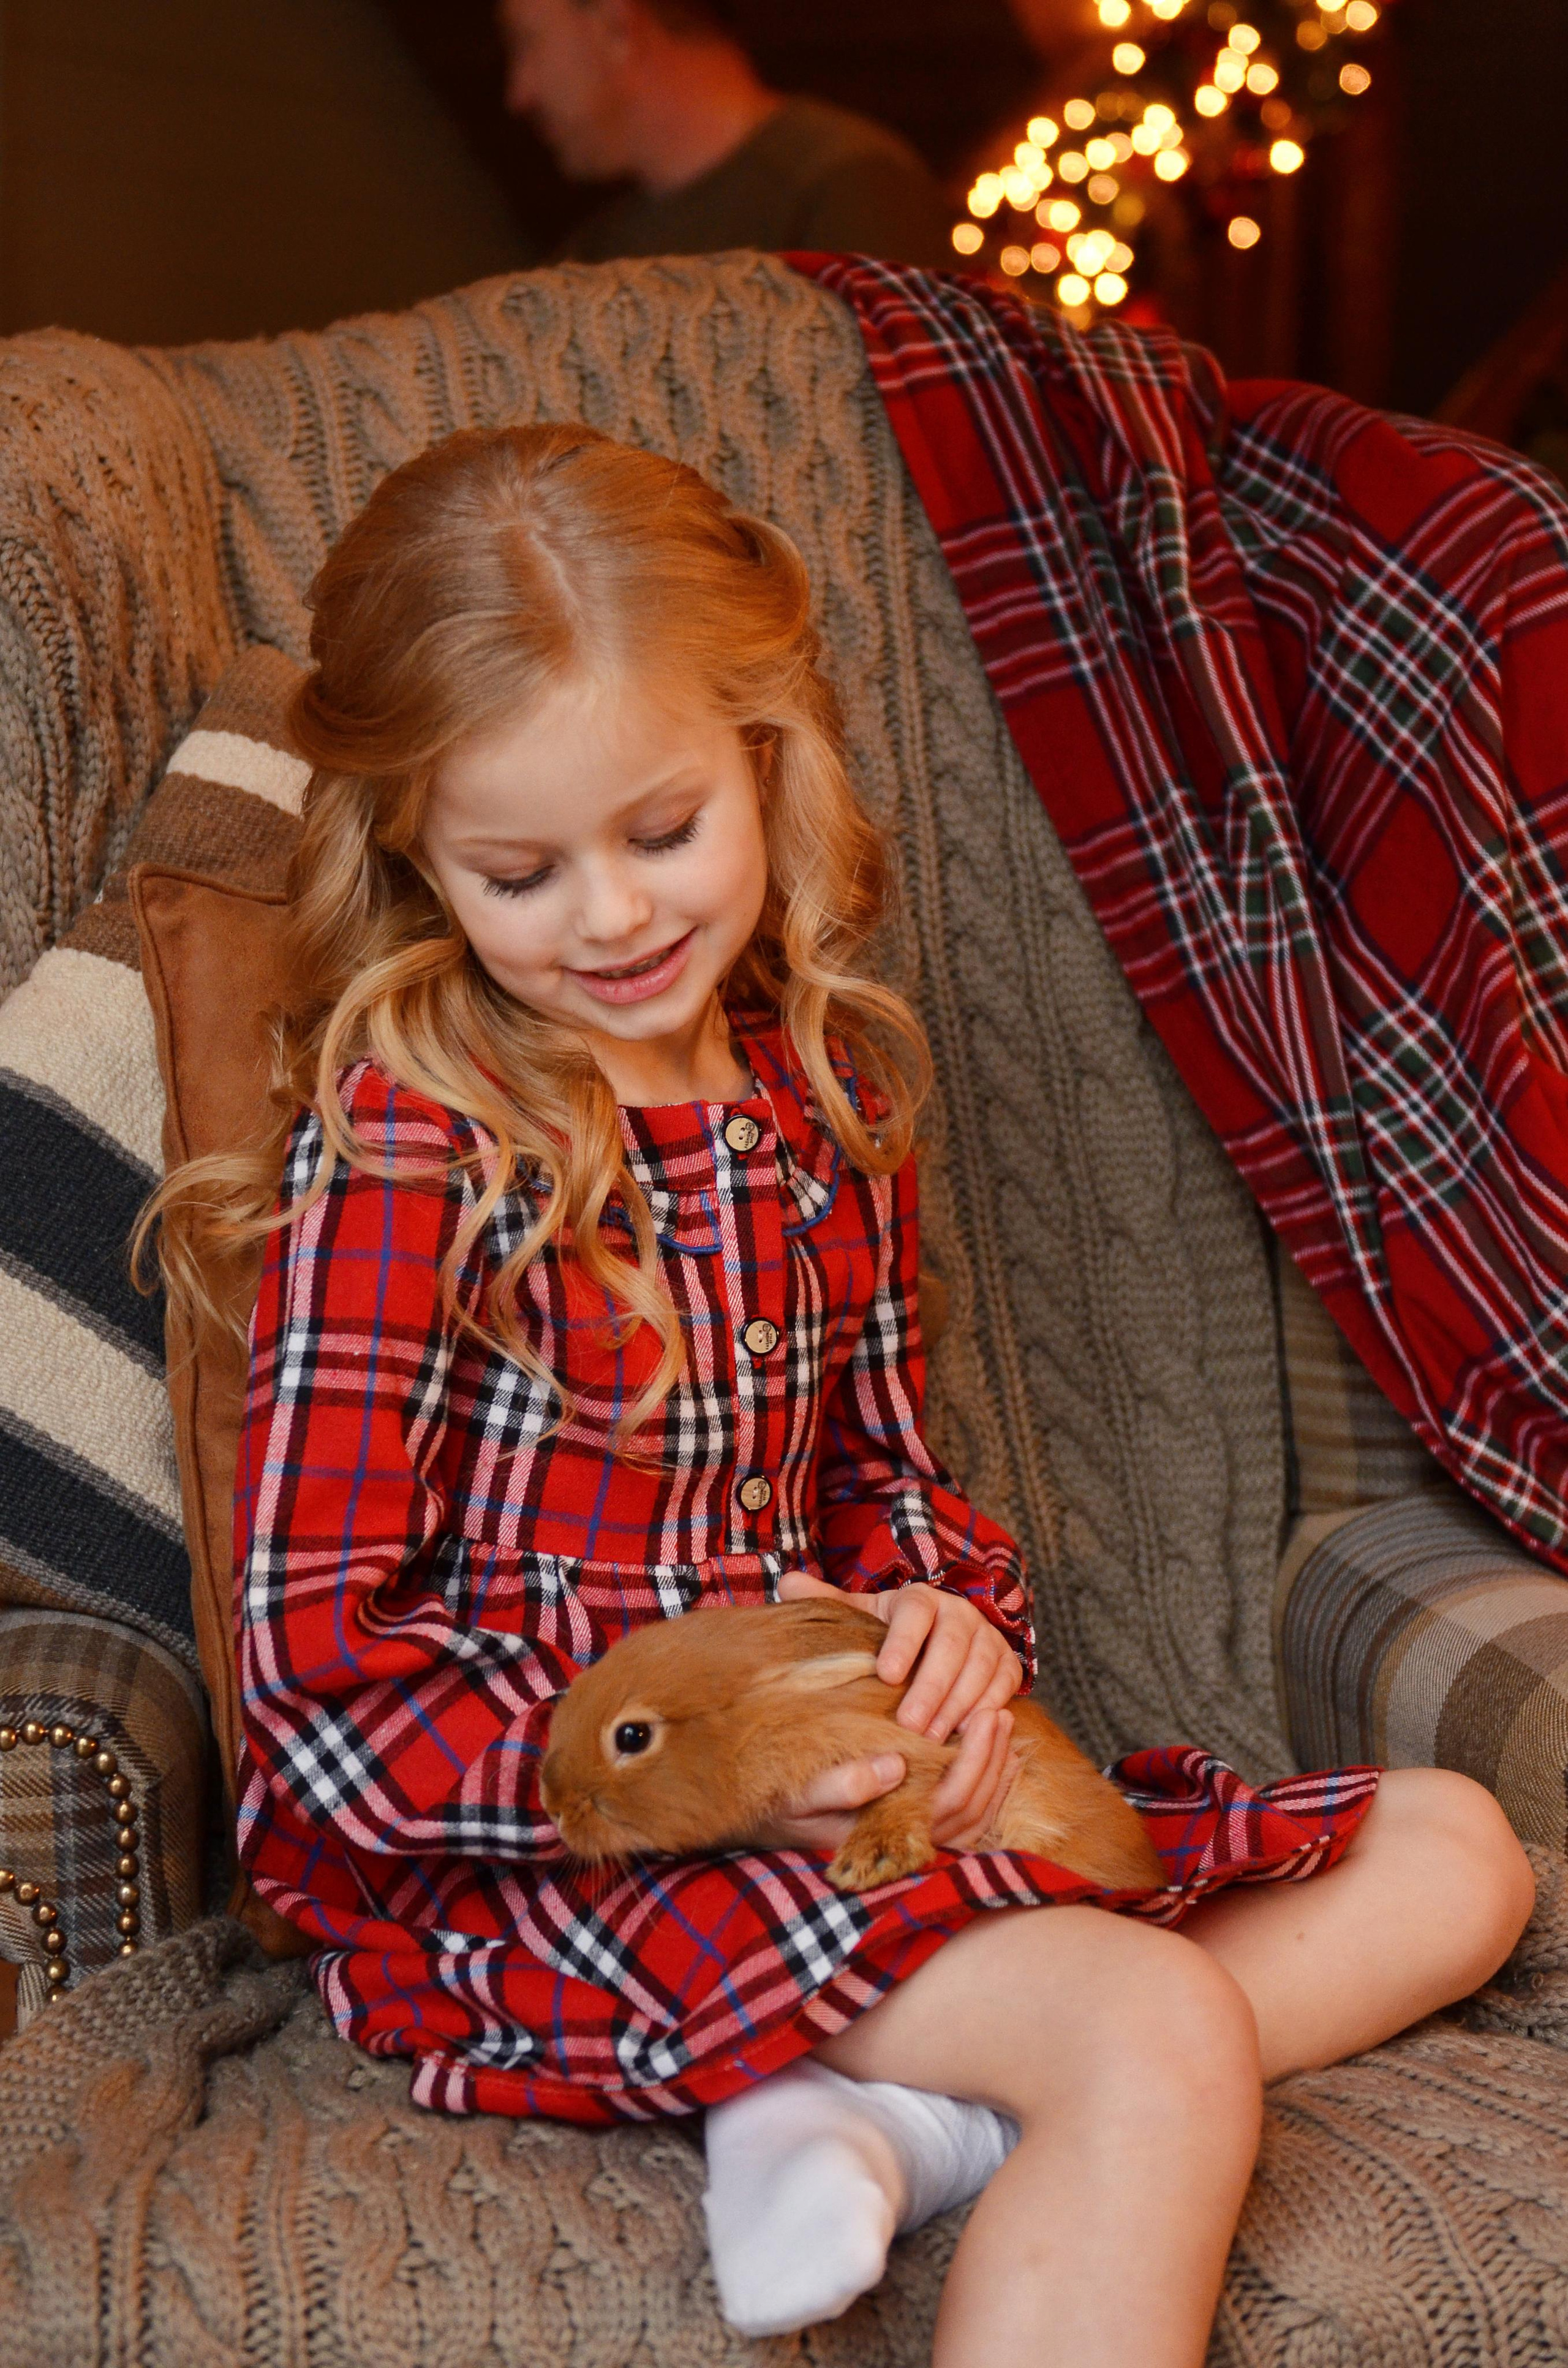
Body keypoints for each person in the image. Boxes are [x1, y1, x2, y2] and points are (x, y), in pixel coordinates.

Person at [145, 422, 1535, 2366]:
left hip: (853, 1789)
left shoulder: (810, 1100)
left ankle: (879, 2109)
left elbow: (883, 1474)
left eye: (662, 831)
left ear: (765, 762)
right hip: (559, 1866)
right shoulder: (416, 1153)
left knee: (1454, 1848)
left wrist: (944, 1612)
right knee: (1154, 2030)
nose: (615, 920)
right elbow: (314, 1690)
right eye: (520, 871)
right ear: (416, 855)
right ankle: (915, 2069)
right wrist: (722, 1792)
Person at [497, 0, 956, 270]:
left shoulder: (841, 181)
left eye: (526, 43)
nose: (519, 94)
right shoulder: (591, 256)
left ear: (617, 28)